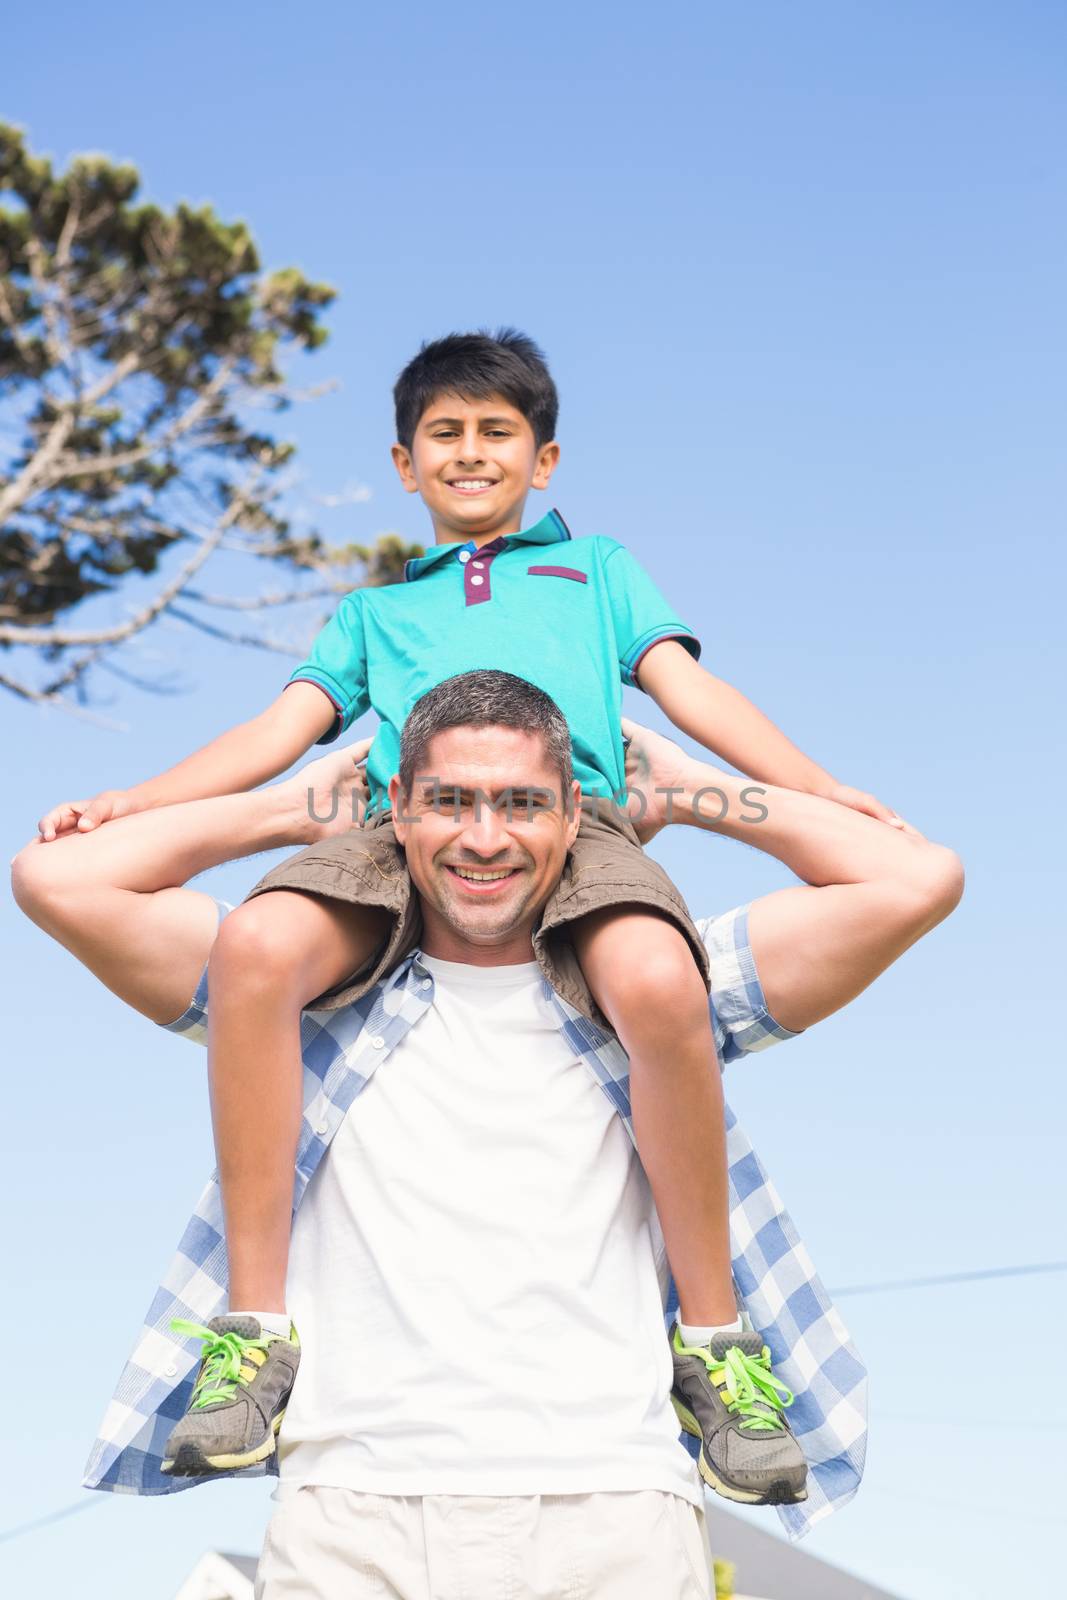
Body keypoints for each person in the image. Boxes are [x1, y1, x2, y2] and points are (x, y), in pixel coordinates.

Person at [32, 327, 908, 1507]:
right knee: (253, 943)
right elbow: (275, 731)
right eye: (443, 433)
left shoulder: (595, 570)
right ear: (404, 463)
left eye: (496, 431)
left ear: (543, 459)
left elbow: (692, 692)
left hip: (578, 824)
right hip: (404, 834)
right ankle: (252, 1336)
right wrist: (137, 798)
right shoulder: (373, 611)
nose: (470, 451)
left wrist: (809, 787)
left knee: (656, 981)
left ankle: (715, 1347)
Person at [12, 680, 962, 1596]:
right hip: (350, 1511)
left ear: (573, 817)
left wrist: (689, 794)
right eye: (448, 802)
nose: (482, 837)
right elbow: (56, 875)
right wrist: (289, 812)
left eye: (521, 804)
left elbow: (916, 876)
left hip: (614, 1509)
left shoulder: (663, 991)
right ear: (397, 810)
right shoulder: (308, 1007)